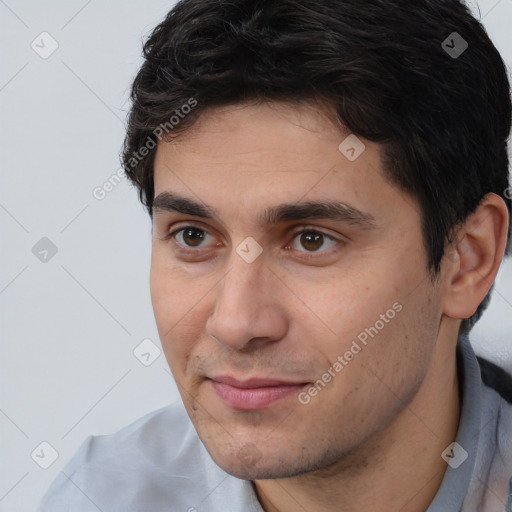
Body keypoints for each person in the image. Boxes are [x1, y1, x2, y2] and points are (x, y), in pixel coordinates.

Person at [38, 0, 512, 510]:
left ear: (467, 259)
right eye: (193, 236)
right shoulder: (100, 496)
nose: (235, 323)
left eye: (312, 240)